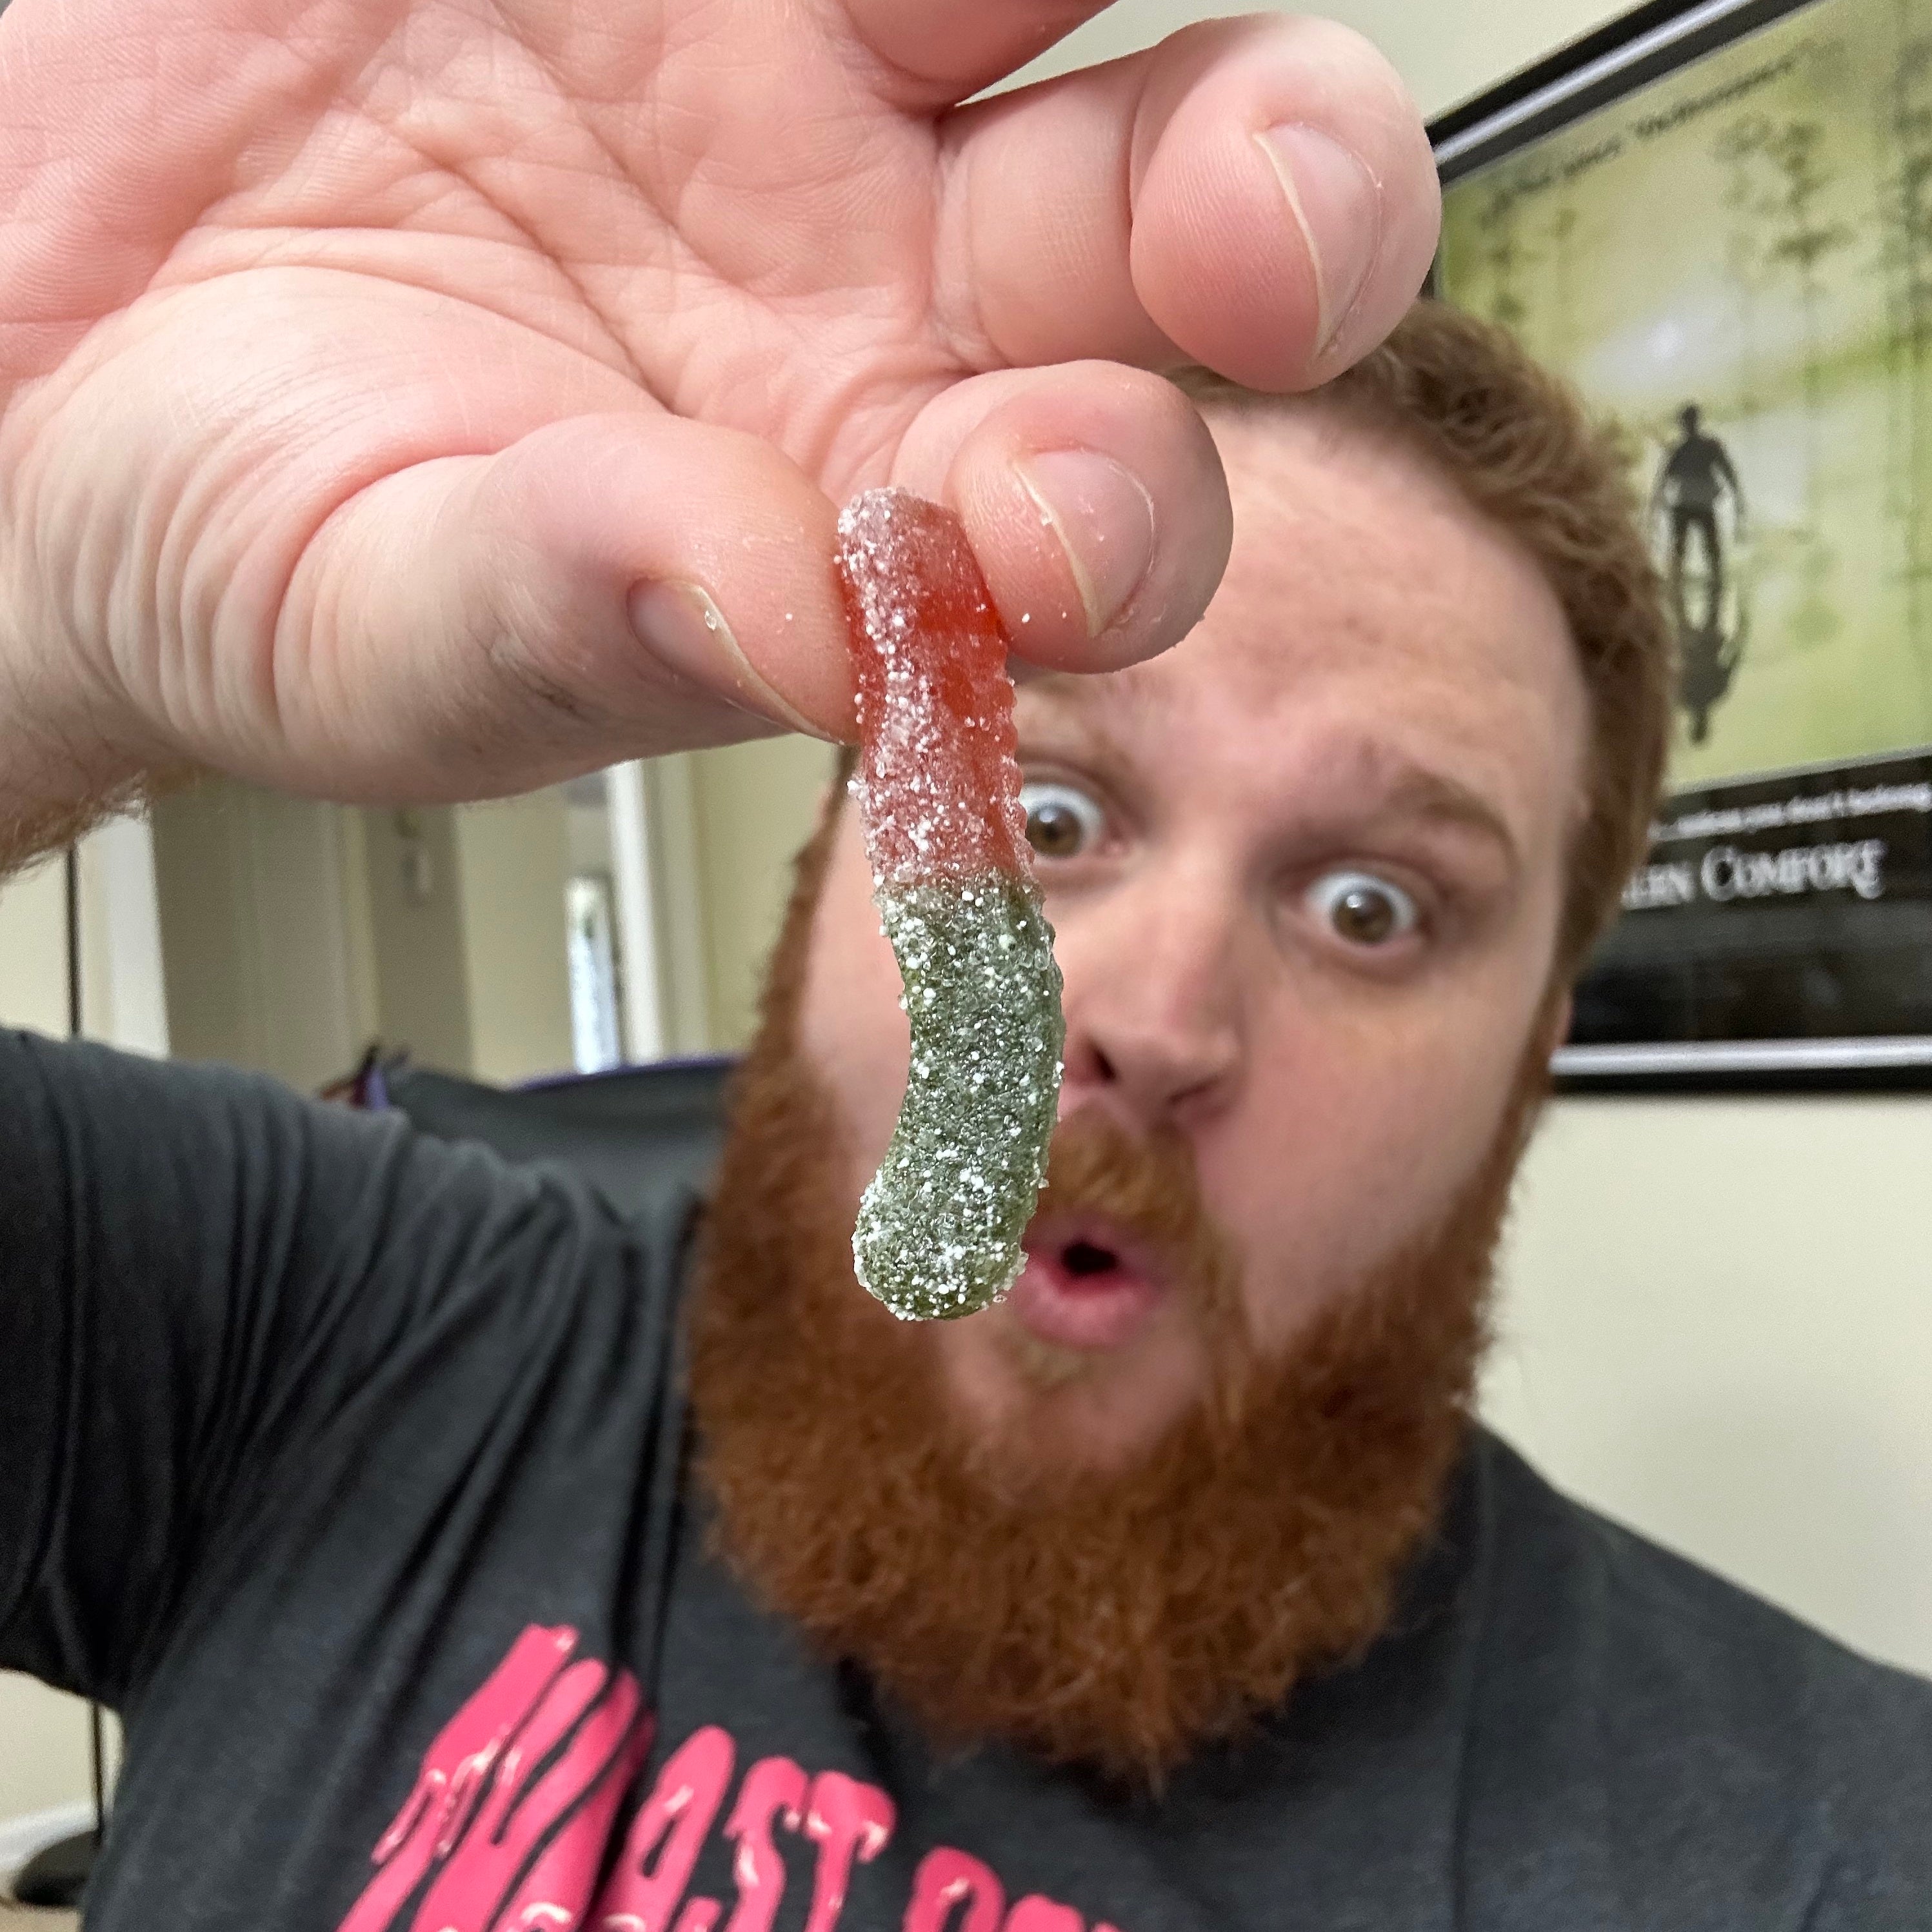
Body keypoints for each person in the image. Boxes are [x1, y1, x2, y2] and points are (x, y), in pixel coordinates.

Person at [1, 5, 1927, 1931]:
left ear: (1525, 1064)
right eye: (1053, 811)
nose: (1144, 1022)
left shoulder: (1812, 1839)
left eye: (1369, 905)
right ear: (828, 851)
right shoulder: (307, 1332)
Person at [1654, 402, 1747, 618]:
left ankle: (1702, 596)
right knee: (1692, 554)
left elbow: (1662, 485)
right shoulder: (1686, 450)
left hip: (1694, 506)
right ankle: (1697, 593)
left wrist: (1738, 500)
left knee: (1703, 554)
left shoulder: (1687, 450)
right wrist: (1738, 499)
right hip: (1693, 506)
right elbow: (1662, 484)